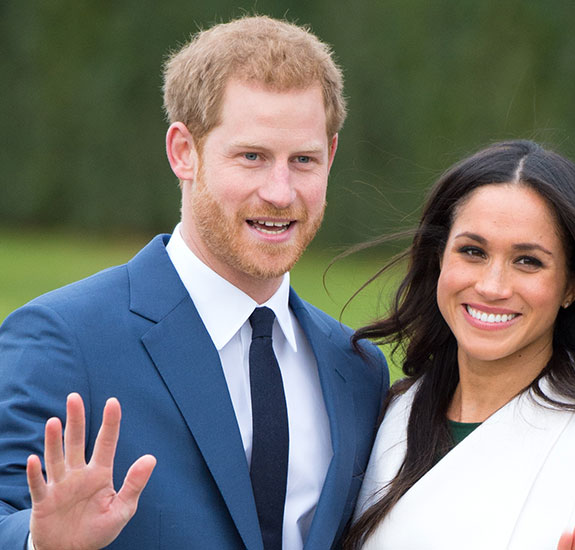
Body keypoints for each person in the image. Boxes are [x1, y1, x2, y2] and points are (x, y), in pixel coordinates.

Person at [0, 16, 388, 550]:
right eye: (252, 156)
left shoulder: (358, 368)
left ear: (332, 157)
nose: (280, 192)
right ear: (184, 151)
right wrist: (38, 543)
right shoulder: (63, 339)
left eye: (303, 160)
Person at [344, 140, 575, 549]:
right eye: (472, 251)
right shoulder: (389, 414)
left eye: (528, 261)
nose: (492, 286)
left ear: (573, 283)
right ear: (440, 258)